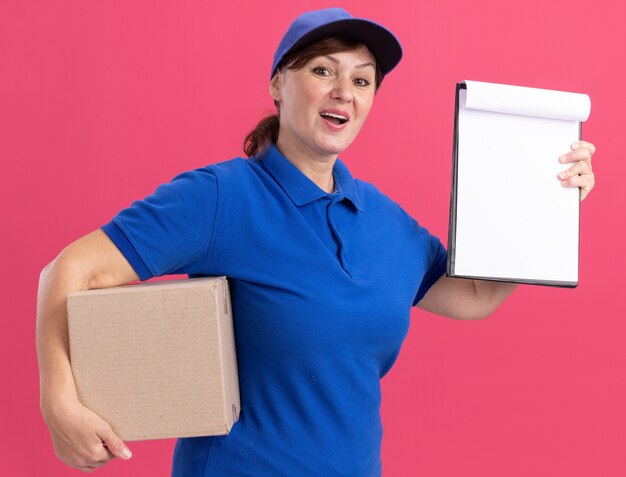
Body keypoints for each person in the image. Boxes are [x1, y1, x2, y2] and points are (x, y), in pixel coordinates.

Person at [36, 7, 596, 476]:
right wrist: (58, 401)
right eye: (323, 70)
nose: (343, 92)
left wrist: (547, 207)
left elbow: (474, 296)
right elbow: (72, 271)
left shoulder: (383, 221)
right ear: (277, 83)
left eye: (361, 79)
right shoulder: (221, 198)